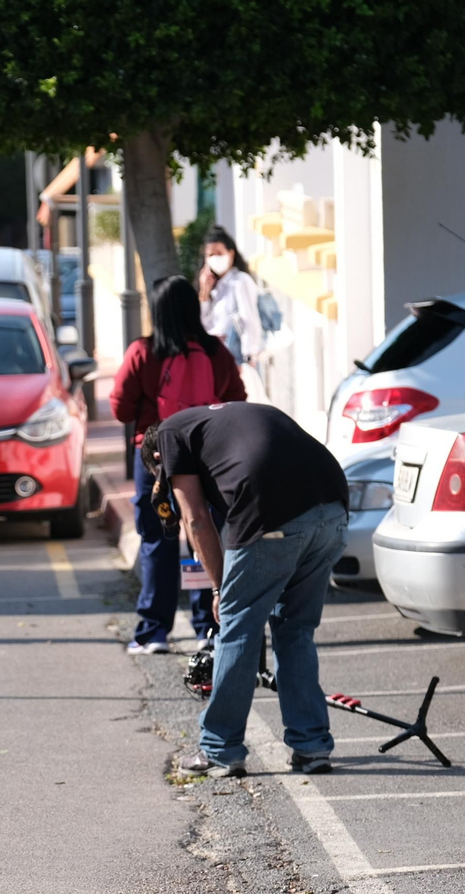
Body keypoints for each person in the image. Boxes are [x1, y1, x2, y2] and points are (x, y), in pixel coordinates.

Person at [139, 402, 348, 778]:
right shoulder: (230, 417)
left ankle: (220, 748)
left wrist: (221, 589)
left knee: (237, 630)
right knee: (295, 629)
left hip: (269, 514)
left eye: (162, 475)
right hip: (332, 509)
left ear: (158, 457)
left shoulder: (170, 434)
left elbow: (195, 519)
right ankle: (312, 746)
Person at [111, 276, 245, 654]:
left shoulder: (142, 352)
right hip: (207, 458)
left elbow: (120, 408)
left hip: (155, 459)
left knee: (158, 540)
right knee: (203, 538)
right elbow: (237, 399)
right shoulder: (216, 352)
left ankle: (154, 631)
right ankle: (209, 627)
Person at [198, 226, 264, 366]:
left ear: (231, 254)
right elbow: (204, 327)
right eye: (210, 255)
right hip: (216, 359)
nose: (215, 258)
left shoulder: (240, 281)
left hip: (237, 359)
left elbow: (249, 319)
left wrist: (250, 357)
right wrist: (204, 293)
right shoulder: (215, 289)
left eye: (219, 253)